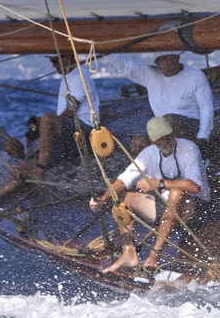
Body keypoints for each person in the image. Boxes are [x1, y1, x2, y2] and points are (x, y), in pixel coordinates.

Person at [88, 115, 210, 273]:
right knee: (121, 198)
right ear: (152, 141)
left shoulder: (189, 148)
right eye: (161, 138)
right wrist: (102, 199)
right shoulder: (148, 154)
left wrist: (159, 183)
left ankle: (154, 257)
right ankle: (129, 254)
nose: (167, 141)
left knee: (176, 193)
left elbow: (195, 187)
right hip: (166, 208)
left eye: (169, 136)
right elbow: (123, 181)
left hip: (196, 209)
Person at [122, 52, 214, 147]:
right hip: (163, 127)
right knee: (138, 142)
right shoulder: (150, 74)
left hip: (193, 125)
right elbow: (122, 64)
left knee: (167, 120)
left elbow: (206, 108)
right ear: (157, 62)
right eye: (164, 58)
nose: (170, 61)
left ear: (178, 58)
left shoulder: (196, 75)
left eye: (172, 57)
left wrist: (202, 136)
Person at [34, 52, 99, 170]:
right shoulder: (69, 75)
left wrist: (48, 125)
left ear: (68, 57)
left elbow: (70, 112)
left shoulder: (79, 76)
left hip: (85, 130)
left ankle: (41, 168)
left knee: (47, 119)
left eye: (55, 61)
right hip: (72, 128)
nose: (53, 65)